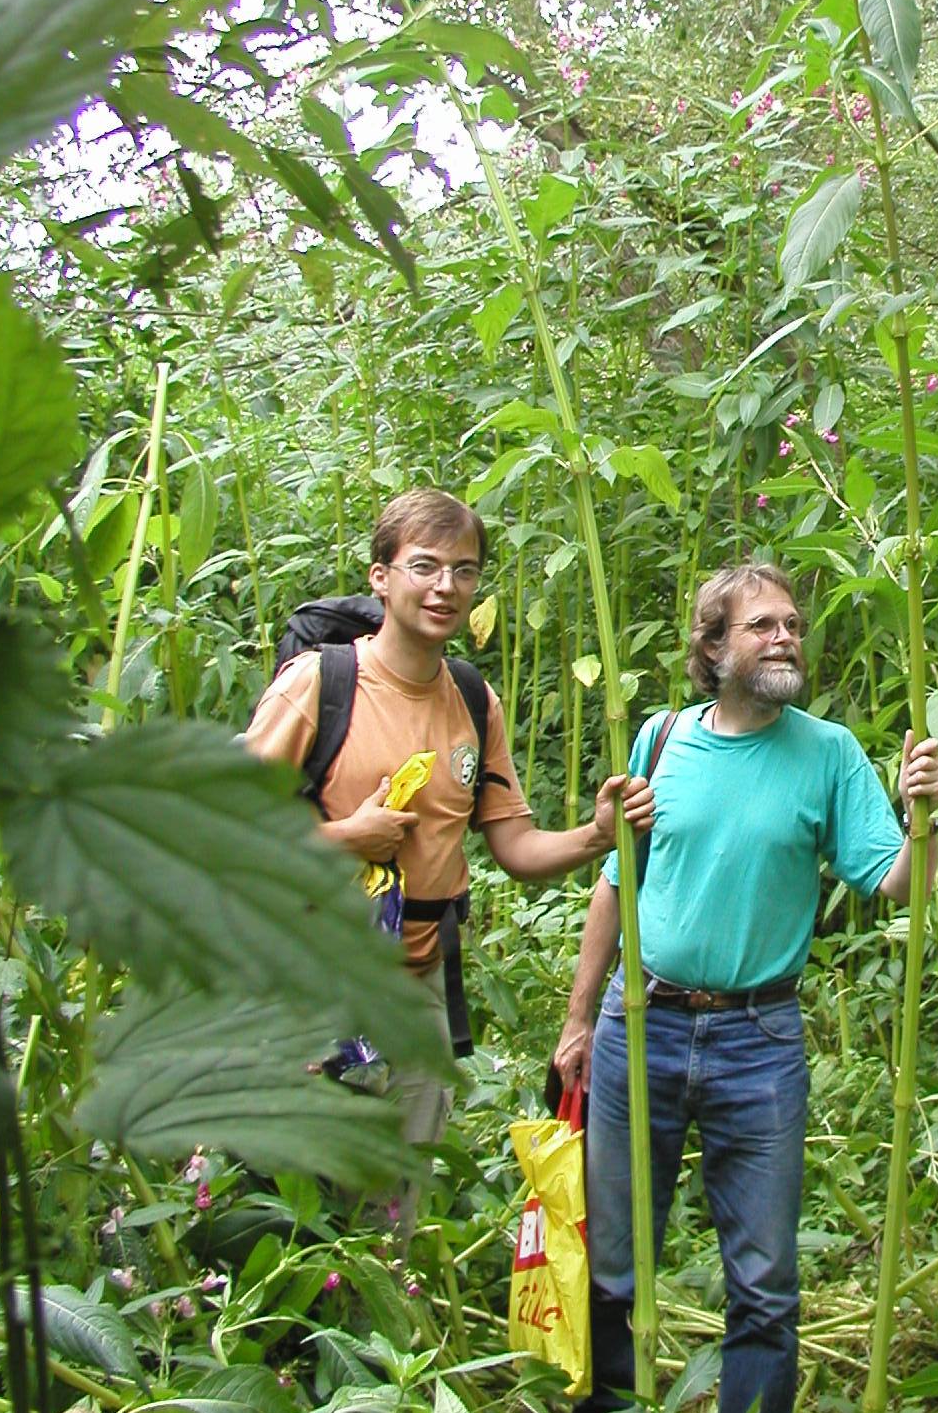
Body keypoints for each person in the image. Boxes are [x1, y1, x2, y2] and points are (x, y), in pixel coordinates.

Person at [552, 560, 938, 1413]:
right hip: (639, 1023)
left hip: (757, 1040)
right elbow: (618, 885)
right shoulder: (656, 740)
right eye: (761, 625)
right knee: (614, 1251)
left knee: (765, 1276)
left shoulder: (830, 753)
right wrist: (578, 1018)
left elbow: (891, 883)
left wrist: (920, 817)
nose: (783, 639)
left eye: (793, 625)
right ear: (713, 647)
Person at [244, 487, 653, 1233]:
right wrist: (346, 837)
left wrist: (597, 835)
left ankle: (383, 1327)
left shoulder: (471, 697)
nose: (445, 588)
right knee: (294, 1202)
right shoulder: (318, 684)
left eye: (464, 572)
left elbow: (516, 846)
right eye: (424, 567)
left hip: (419, 983)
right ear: (381, 576)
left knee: (393, 1202)